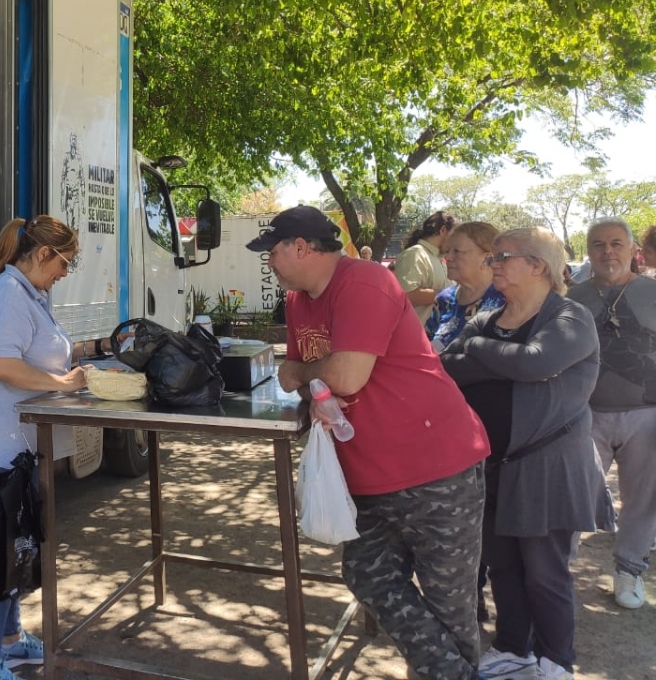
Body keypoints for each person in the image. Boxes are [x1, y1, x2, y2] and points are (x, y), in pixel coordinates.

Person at [253, 206, 490, 680]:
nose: (270, 263)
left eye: (273, 253)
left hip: (435, 468)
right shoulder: (299, 302)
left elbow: (342, 375)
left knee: (450, 603)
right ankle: (451, 672)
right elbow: (300, 377)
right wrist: (308, 378)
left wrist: (306, 375)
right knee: (367, 574)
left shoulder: (363, 282)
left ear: (301, 248)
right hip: (367, 473)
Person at [441, 228, 612, 680]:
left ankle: (557, 661)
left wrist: (481, 351)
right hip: (493, 469)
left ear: (537, 265)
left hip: (549, 468)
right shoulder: (489, 317)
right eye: (494, 257)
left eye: (503, 257)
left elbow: (536, 362)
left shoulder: (571, 318)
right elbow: (447, 370)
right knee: (503, 566)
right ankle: (514, 647)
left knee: (545, 572)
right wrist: (505, 357)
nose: (493, 264)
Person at [0, 215, 115, 680]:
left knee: (19, 548)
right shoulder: (9, 295)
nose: (66, 273)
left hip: (26, 446)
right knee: (2, 552)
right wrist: (62, 386)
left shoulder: (31, 294)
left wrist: (96, 350)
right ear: (43, 254)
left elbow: (41, 352)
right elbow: (1, 365)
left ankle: (10, 641)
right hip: (6, 448)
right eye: (65, 262)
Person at [567, 219, 656, 611]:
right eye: (598, 244)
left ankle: (630, 568)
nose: (608, 252)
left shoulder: (652, 292)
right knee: (574, 497)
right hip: (587, 414)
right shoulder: (571, 298)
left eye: (617, 243)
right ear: (588, 250)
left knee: (644, 500)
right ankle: (557, 570)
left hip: (647, 414)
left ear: (633, 248)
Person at [426, 221, 506, 353]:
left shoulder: (505, 299)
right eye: (447, 251)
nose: (448, 257)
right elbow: (424, 345)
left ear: (486, 259)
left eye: (457, 251)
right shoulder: (444, 299)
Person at [394, 210, 458, 324]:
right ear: (443, 230)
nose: (455, 243)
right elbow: (407, 295)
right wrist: (452, 295)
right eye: (454, 236)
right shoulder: (414, 254)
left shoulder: (440, 259)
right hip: (416, 335)